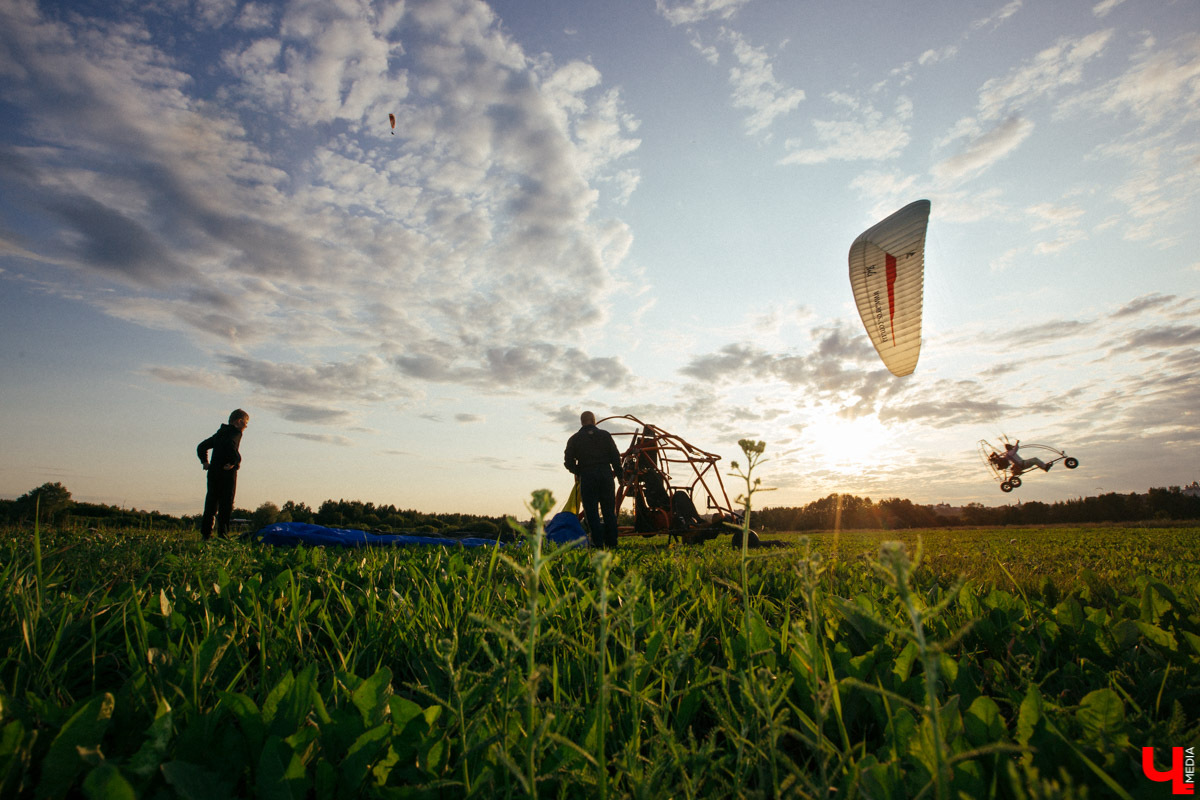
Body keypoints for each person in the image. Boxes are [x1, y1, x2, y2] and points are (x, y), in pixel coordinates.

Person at [564, 411, 622, 549]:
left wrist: (578, 471)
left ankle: (597, 543)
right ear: (594, 421)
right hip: (605, 475)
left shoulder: (574, 439)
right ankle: (612, 543)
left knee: (591, 512)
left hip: (587, 475)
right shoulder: (605, 435)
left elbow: (568, 462)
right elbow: (615, 457)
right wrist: (620, 477)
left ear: (582, 422)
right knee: (609, 511)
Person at [197, 409, 249, 540]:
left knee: (211, 503)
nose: (246, 427)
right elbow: (231, 445)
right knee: (226, 504)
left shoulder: (220, 433)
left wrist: (205, 462)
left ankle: (206, 534)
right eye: (246, 424)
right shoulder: (236, 432)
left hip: (213, 471)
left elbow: (202, 446)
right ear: (239, 422)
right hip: (227, 473)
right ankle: (223, 535)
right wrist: (234, 462)